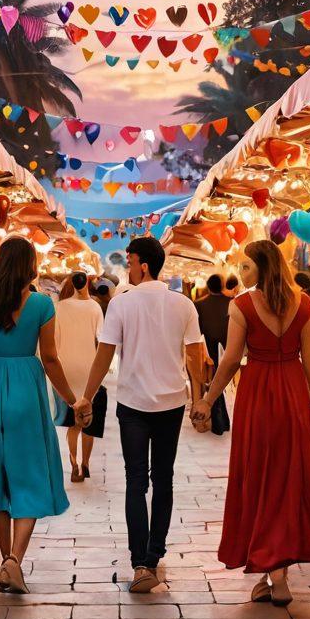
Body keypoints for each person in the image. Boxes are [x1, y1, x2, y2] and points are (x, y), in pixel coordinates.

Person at [191, 239, 310, 606]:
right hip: (293, 392)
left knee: (259, 477)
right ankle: (278, 573)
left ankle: (275, 574)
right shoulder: (304, 304)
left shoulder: (242, 306)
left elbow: (231, 360)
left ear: (263, 268)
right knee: (288, 480)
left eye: (246, 267)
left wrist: (207, 398)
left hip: (257, 395)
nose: (241, 272)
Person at [75, 235, 205, 593]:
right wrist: (200, 400)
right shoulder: (183, 304)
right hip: (171, 403)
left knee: (136, 480)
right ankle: (153, 553)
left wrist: (87, 396)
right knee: (164, 478)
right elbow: (195, 356)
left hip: (132, 405)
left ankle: (140, 562)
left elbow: (104, 355)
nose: (128, 268)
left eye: (130, 262)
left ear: (143, 265)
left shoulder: (121, 304)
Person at [0, 236, 74, 594]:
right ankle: (14, 560)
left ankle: (5, 563)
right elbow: (51, 359)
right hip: (27, 394)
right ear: (29, 266)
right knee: (29, 476)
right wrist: (71, 399)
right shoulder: (42, 304)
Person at [55, 271, 105, 482]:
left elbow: (55, 340)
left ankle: (73, 462)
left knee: (73, 423)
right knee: (88, 420)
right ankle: (85, 464)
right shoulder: (95, 307)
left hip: (66, 368)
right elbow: (101, 338)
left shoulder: (60, 307)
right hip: (89, 367)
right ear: (86, 284)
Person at [195, 274, 230, 436]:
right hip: (230, 349)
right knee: (220, 384)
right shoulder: (233, 302)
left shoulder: (199, 304)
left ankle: (219, 422)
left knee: (214, 383)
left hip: (209, 350)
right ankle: (221, 422)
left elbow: (198, 330)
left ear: (208, 287)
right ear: (222, 286)